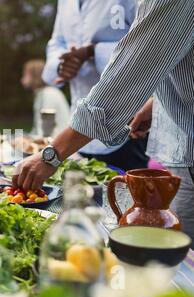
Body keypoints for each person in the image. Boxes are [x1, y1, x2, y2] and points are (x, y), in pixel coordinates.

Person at [14, 0, 194, 246]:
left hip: (172, 149)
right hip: (164, 140)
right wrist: (156, 103)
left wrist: (52, 154)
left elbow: (132, 67)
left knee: (179, 263)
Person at [42, 0, 149, 171]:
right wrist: (61, 64)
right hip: (76, 132)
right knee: (77, 195)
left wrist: (93, 52)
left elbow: (148, 46)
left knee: (126, 195)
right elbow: (57, 43)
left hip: (127, 130)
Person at [21, 59, 70, 137]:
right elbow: (37, 129)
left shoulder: (49, 94)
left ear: (35, 75)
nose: (22, 79)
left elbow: (45, 132)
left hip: (58, 144)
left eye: (25, 74)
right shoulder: (41, 93)